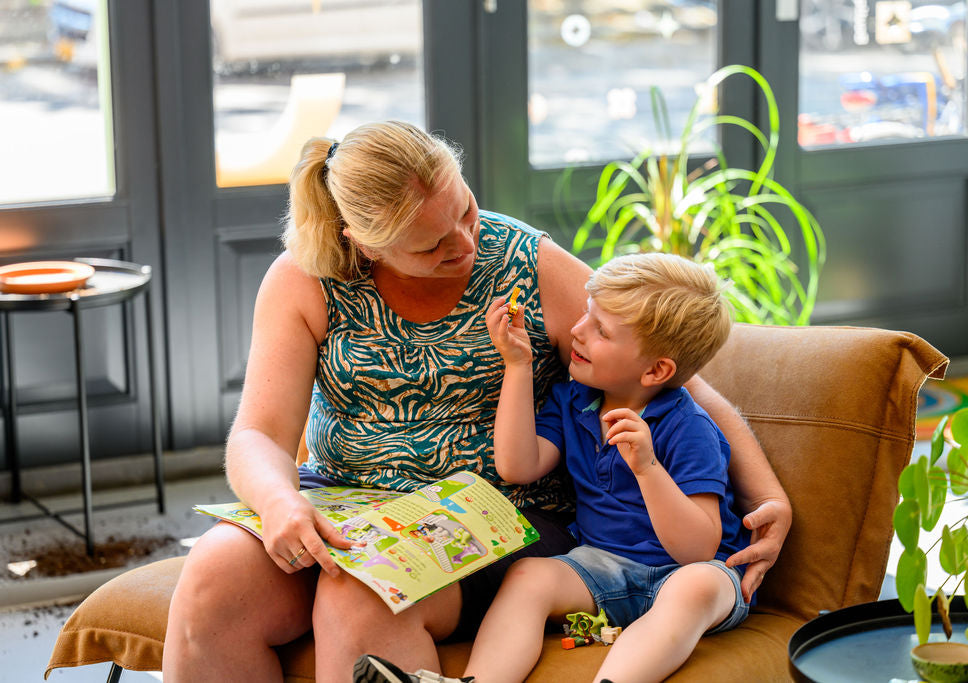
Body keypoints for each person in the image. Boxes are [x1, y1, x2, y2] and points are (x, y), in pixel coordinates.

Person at [162, 121, 790, 682]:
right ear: (363, 243)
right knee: (212, 578)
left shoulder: (524, 261)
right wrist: (280, 503)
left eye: (465, 209)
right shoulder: (304, 279)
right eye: (430, 245)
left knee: (362, 594)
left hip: (498, 517)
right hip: (346, 503)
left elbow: (679, 386)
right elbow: (259, 436)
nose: (464, 243)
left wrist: (770, 499)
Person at [355, 253, 748, 683]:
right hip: (603, 566)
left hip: (693, 573)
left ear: (656, 370)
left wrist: (648, 469)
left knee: (694, 588)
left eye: (601, 330)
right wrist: (517, 364)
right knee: (529, 576)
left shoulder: (689, 427)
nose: (577, 330)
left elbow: (697, 550)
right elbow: (517, 466)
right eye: (586, 314)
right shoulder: (574, 401)